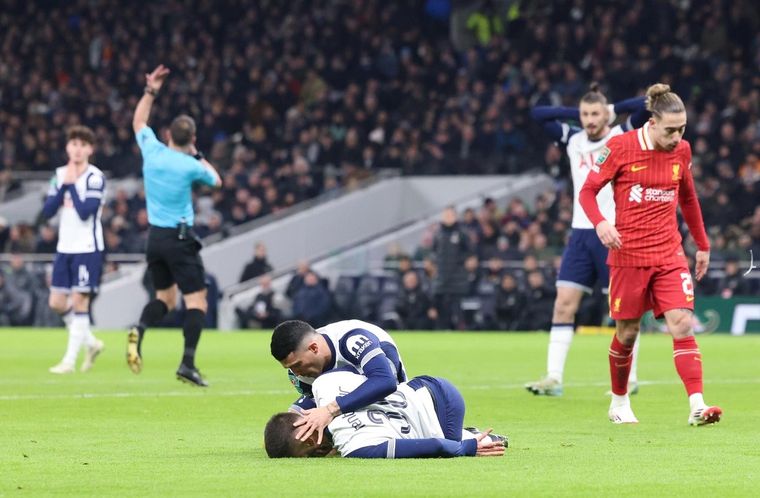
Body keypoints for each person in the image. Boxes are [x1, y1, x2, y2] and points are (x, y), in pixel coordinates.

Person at [579, 83, 721, 425]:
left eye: (682, 129)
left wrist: (702, 244)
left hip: (669, 253)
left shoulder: (682, 152)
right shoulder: (620, 147)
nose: (677, 137)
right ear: (652, 123)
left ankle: (697, 406)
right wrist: (600, 224)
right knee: (627, 333)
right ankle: (619, 401)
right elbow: (587, 191)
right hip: (627, 256)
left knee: (682, 323)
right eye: (671, 130)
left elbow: (688, 199)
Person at [525, 85, 649, 396]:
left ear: (606, 114)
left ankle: (630, 378)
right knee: (563, 305)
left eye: (596, 114)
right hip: (580, 234)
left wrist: (612, 107)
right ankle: (554, 378)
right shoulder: (572, 139)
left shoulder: (620, 133)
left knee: (623, 310)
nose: (591, 120)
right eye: (586, 114)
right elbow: (538, 114)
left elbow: (648, 104)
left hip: (613, 232)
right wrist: (576, 113)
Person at [126, 65, 222, 387]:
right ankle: (187, 364)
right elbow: (216, 180)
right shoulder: (188, 165)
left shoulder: (152, 151)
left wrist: (150, 91)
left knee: (165, 300)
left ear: (167, 135)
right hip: (180, 239)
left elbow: (139, 121)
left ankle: (139, 328)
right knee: (196, 301)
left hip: (154, 239)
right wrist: (197, 154)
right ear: (191, 138)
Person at [264, 369, 506, 458]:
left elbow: (434, 446)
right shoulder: (324, 384)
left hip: (442, 417)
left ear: (308, 439)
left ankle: (471, 437)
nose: (319, 454)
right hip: (426, 385)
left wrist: (466, 448)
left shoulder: (354, 446)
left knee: (451, 446)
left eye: (310, 454)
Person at [270, 319, 407, 443]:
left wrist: (330, 410)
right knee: (290, 427)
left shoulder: (352, 339)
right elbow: (315, 406)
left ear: (314, 348)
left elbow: (385, 382)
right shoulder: (299, 374)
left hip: (391, 396)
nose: (296, 372)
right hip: (346, 396)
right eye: (290, 367)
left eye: (297, 365)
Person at [41, 125, 106, 374]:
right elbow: (47, 212)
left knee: (80, 300)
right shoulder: (59, 174)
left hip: (87, 248)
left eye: (83, 145)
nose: (78, 150)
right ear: (67, 147)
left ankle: (68, 361)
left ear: (90, 149)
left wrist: (69, 186)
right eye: (74, 144)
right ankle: (91, 343)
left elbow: (85, 212)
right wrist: (64, 185)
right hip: (64, 247)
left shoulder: (95, 177)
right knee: (57, 302)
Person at [431, 206, 474, 329]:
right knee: (441, 306)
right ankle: (442, 329)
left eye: (450, 215)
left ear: (455, 216)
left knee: (457, 307)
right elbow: (433, 252)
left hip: (457, 277)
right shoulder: (438, 234)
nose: (448, 218)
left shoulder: (462, 233)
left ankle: (461, 328)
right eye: (446, 215)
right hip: (441, 277)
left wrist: (466, 260)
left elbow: (470, 251)